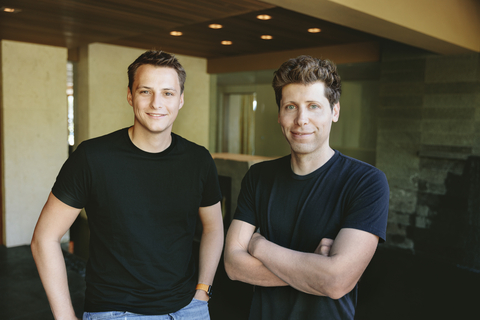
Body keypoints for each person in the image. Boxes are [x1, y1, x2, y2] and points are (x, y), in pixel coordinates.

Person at [31, 50, 224, 320]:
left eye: (168, 93)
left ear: (181, 100)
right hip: (116, 312)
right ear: (130, 95)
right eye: (146, 91)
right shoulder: (92, 157)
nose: (157, 103)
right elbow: (44, 239)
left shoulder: (198, 159)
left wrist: (202, 292)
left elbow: (214, 227)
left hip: (188, 310)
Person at [224, 55, 389, 319]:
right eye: (291, 106)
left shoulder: (366, 181)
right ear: (279, 114)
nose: (301, 119)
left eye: (313, 106)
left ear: (334, 111)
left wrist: (258, 246)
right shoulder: (259, 176)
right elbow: (233, 265)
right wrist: (314, 270)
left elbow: (336, 281)